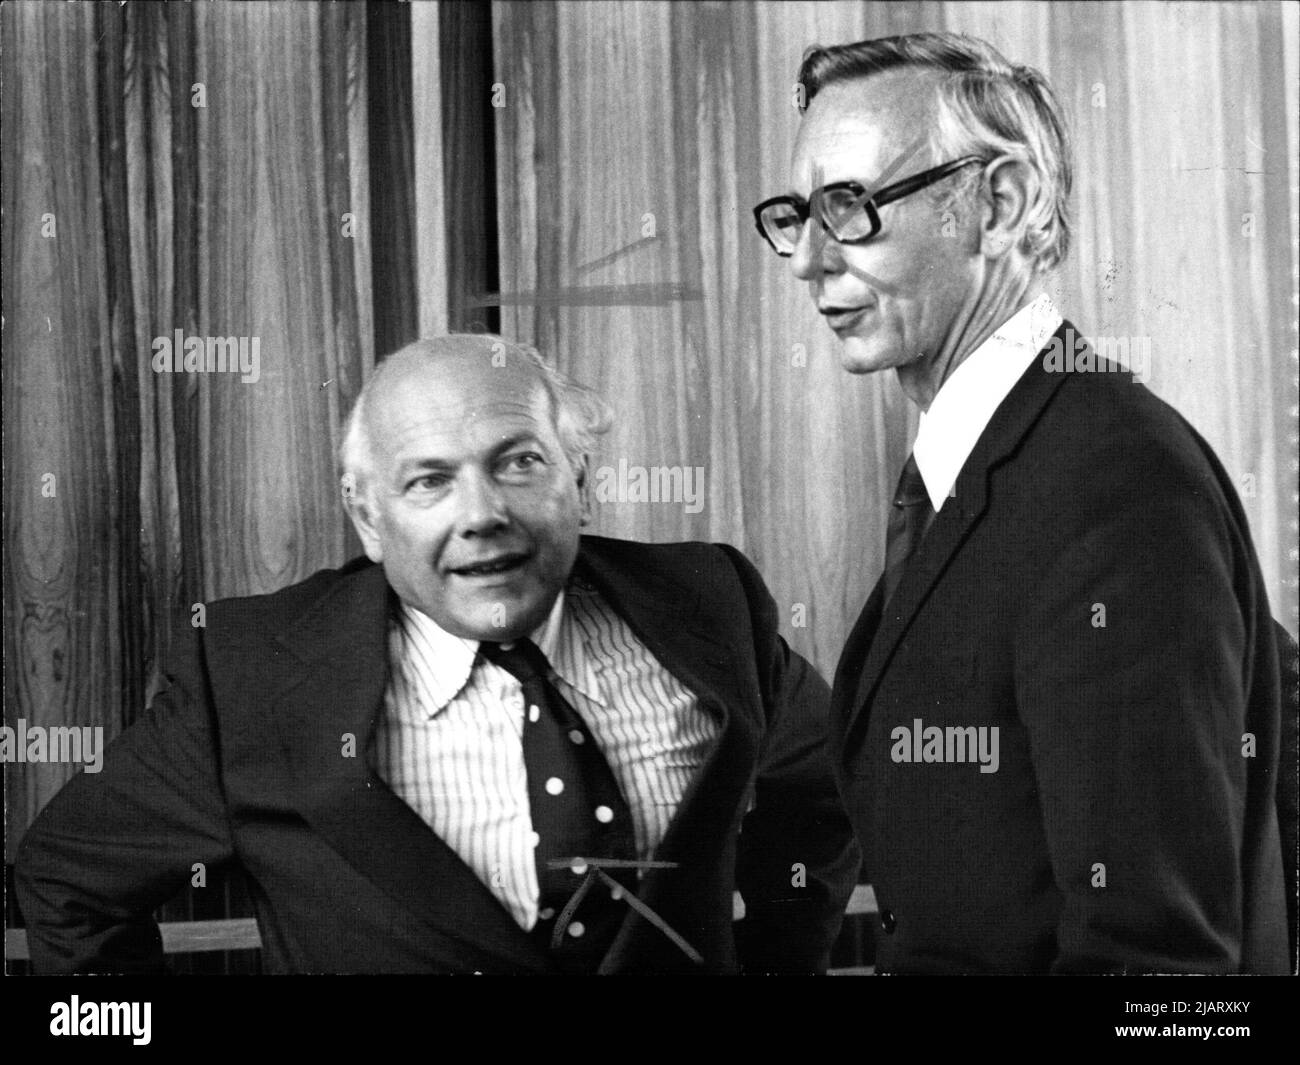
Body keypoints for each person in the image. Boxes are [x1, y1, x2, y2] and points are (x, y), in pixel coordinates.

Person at [15, 335, 858, 975]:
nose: (482, 512)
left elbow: (823, 801)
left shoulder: (709, 604)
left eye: (519, 462)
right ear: (369, 517)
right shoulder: (251, 676)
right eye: (429, 481)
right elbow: (67, 882)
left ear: (582, 477)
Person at [752, 31, 1289, 973]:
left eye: (851, 206)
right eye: (798, 213)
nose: (809, 259)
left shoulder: (1115, 484)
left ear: (998, 205)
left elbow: (1157, 970)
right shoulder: (998, 459)